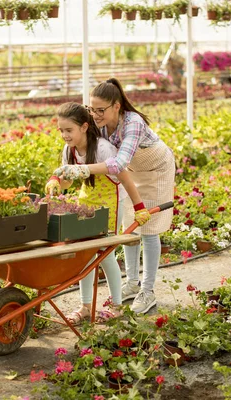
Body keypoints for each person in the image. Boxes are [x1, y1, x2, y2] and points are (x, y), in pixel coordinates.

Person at [53, 78, 175, 314]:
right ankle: (131, 283)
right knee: (130, 228)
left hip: (156, 169)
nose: (95, 115)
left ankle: (147, 291)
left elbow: (118, 162)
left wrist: (83, 170)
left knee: (148, 229)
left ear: (117, 106)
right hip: (130, 173)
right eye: (92, 109)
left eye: (101, 110)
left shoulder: (133, 123)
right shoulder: (98, 125)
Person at [45, 102, 150, 325]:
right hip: (87, 199)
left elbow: (125, 178)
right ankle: (85, 306)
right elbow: (66, 182)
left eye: (68, 130)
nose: (64, 135)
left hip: (111, 200)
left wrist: (139, 207)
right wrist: (55, 181)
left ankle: (117, 305)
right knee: (85, 252)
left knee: (105, 253)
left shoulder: (102, 148)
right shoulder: (69, 150)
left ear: (84, 127)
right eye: (61, 131)